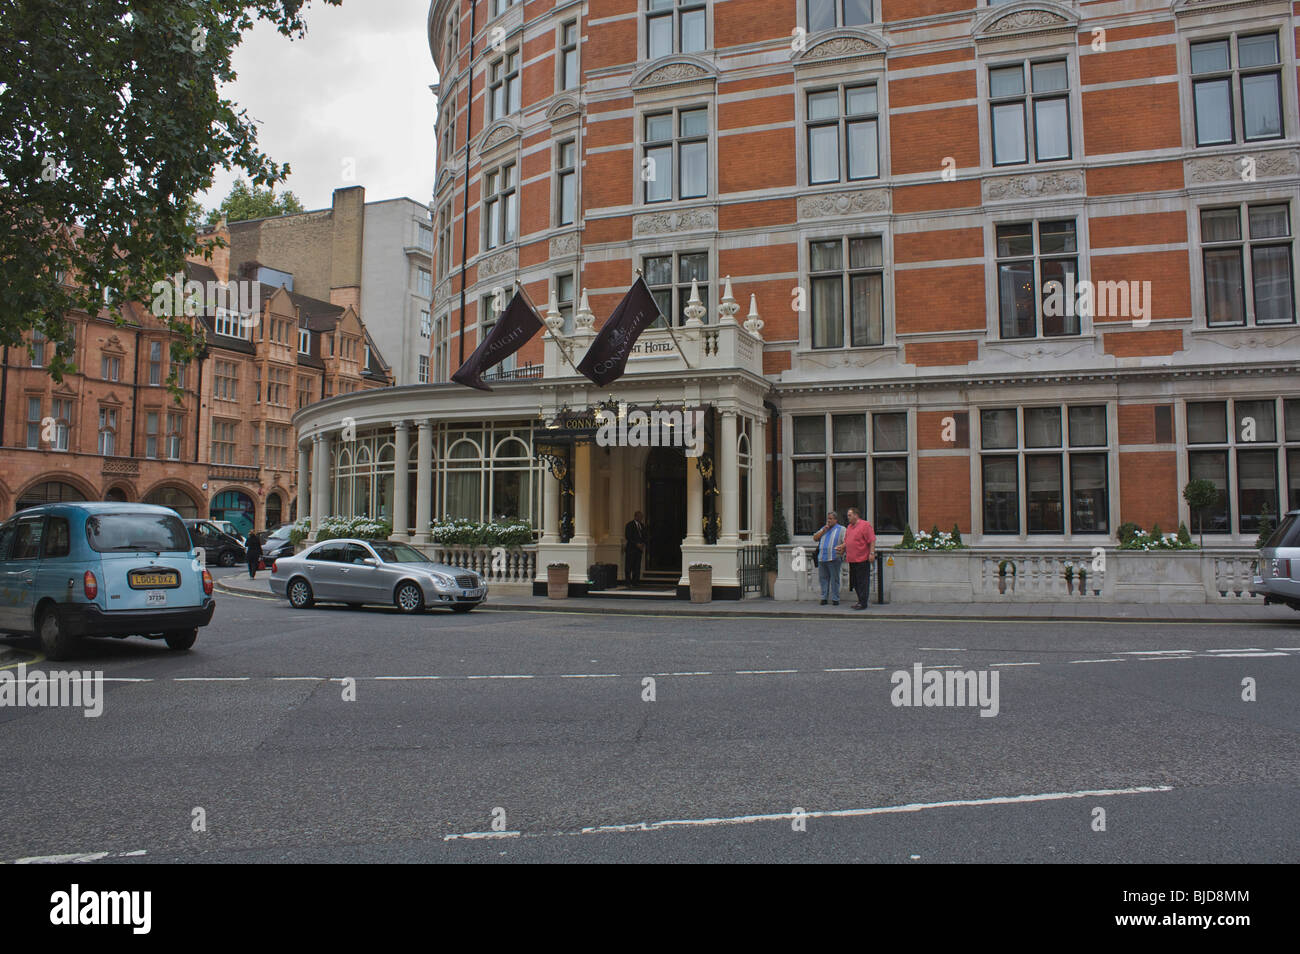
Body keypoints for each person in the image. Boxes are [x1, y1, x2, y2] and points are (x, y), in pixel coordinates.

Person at [836, 507, 876, 610]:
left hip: (862, 558)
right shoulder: (849, 527)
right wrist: (843, 547)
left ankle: (863, 603)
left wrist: (871, 553)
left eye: (849, 515)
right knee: (854, 582)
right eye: (848, 515)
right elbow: (848, 541)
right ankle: (860, 600)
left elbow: (871, 540)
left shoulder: (865, 525)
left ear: (856, 515)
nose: (848, 517)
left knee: (862, 582)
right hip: (852, 559)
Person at [811, 510, 845, 605]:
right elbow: (815, 538)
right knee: (823, 579)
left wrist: (842, 549)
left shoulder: (841, 529)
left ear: (835, 520)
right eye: (828, 519)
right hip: (822, 557)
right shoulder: (824, 529)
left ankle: (835, 598)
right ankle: (824, 597)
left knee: (834, 579)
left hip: (834, 557)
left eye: (830, 519)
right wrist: (823, 530)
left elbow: (845, 541)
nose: (828, 521)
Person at [624, 511, 647, 587]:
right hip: (631, 549)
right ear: (635, 516)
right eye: (640, 517)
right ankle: (628, 582)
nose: (641, 518)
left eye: (642, 517)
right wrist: (636, 544)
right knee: (629, 566)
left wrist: (643, 543)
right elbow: (628, 536)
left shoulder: (642, 525)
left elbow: (644, 536)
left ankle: (635, 582)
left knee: (637, 567)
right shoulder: (629, 525)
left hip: (639, 550)